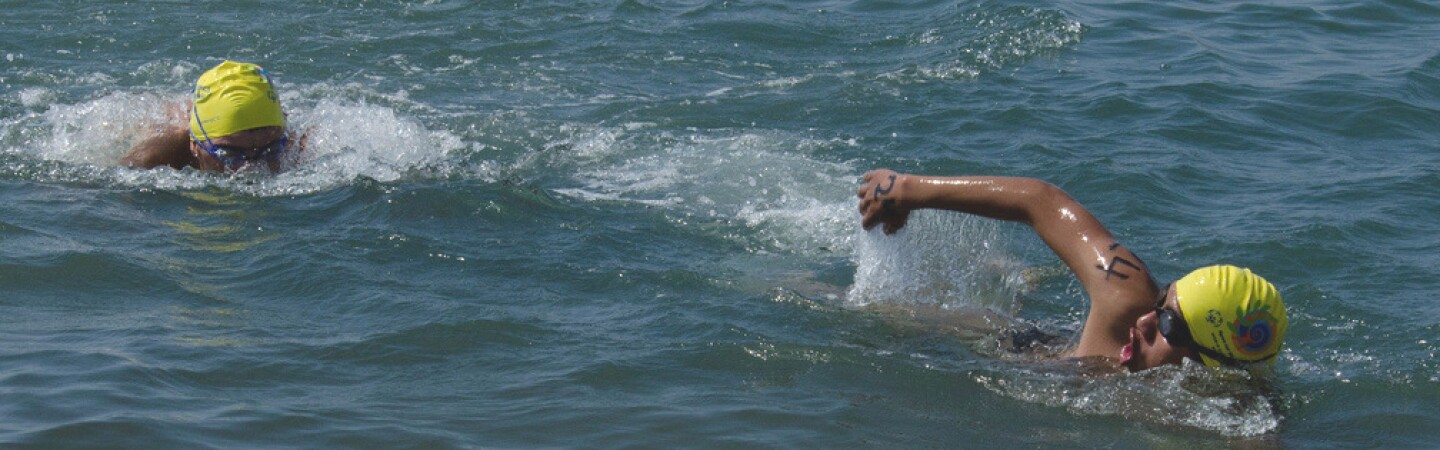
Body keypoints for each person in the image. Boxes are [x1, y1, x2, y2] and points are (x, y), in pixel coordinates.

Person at [857, 169, 1287, 372]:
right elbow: (1041, 203)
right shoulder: (1127, 297)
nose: (1145, 320)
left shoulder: (1230, 416)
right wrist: (910, 190)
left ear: (1208, 365)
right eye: (1162, 304)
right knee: (869, 312)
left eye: (1169, 324)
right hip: (1025, 347)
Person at [120, 60, 300, 172]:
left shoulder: (292, 145)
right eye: (228, 153)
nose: (250, 169)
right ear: (194, 145)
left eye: (269, 150)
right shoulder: (155, 156)